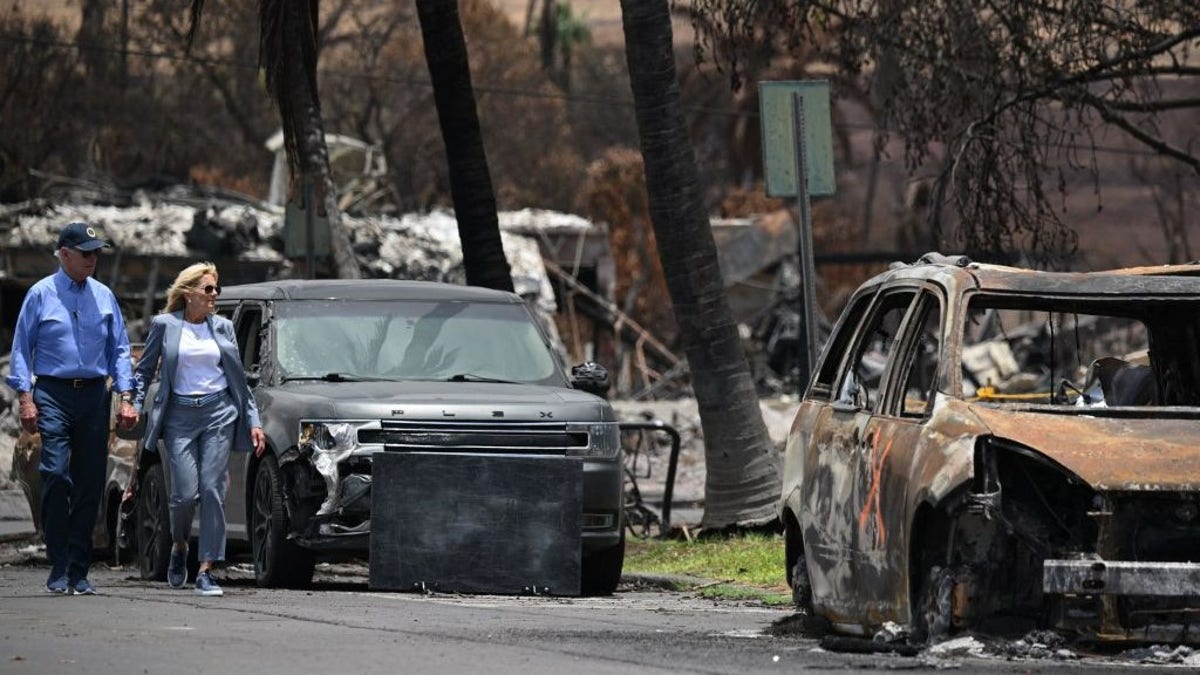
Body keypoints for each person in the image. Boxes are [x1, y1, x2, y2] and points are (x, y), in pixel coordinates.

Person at [6, 222, 139, 595]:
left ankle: (79, 571)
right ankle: (58, 562)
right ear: (64, 254)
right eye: (85, 253)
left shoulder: (104, 296)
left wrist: (126, 396)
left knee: (89, 482)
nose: (92, 259)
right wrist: (25, 397)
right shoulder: (40, 294)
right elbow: (21, 348)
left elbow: (120, 350)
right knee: (55, 474)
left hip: (95, 395)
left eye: (96, 253)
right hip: (52, 392)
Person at [133, 262, 265, 597]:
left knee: (212, 490)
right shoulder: (165, 325)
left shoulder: (221, 327)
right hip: (178, 416)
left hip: (218, 412)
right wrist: (132, 404)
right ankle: (179, 545)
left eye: (216, 289)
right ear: (189, 292)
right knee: (183, 495)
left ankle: (207, 568)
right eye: (208, 289)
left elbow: (238, 378)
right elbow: (145, 370)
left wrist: (253, 420)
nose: (214, 295)